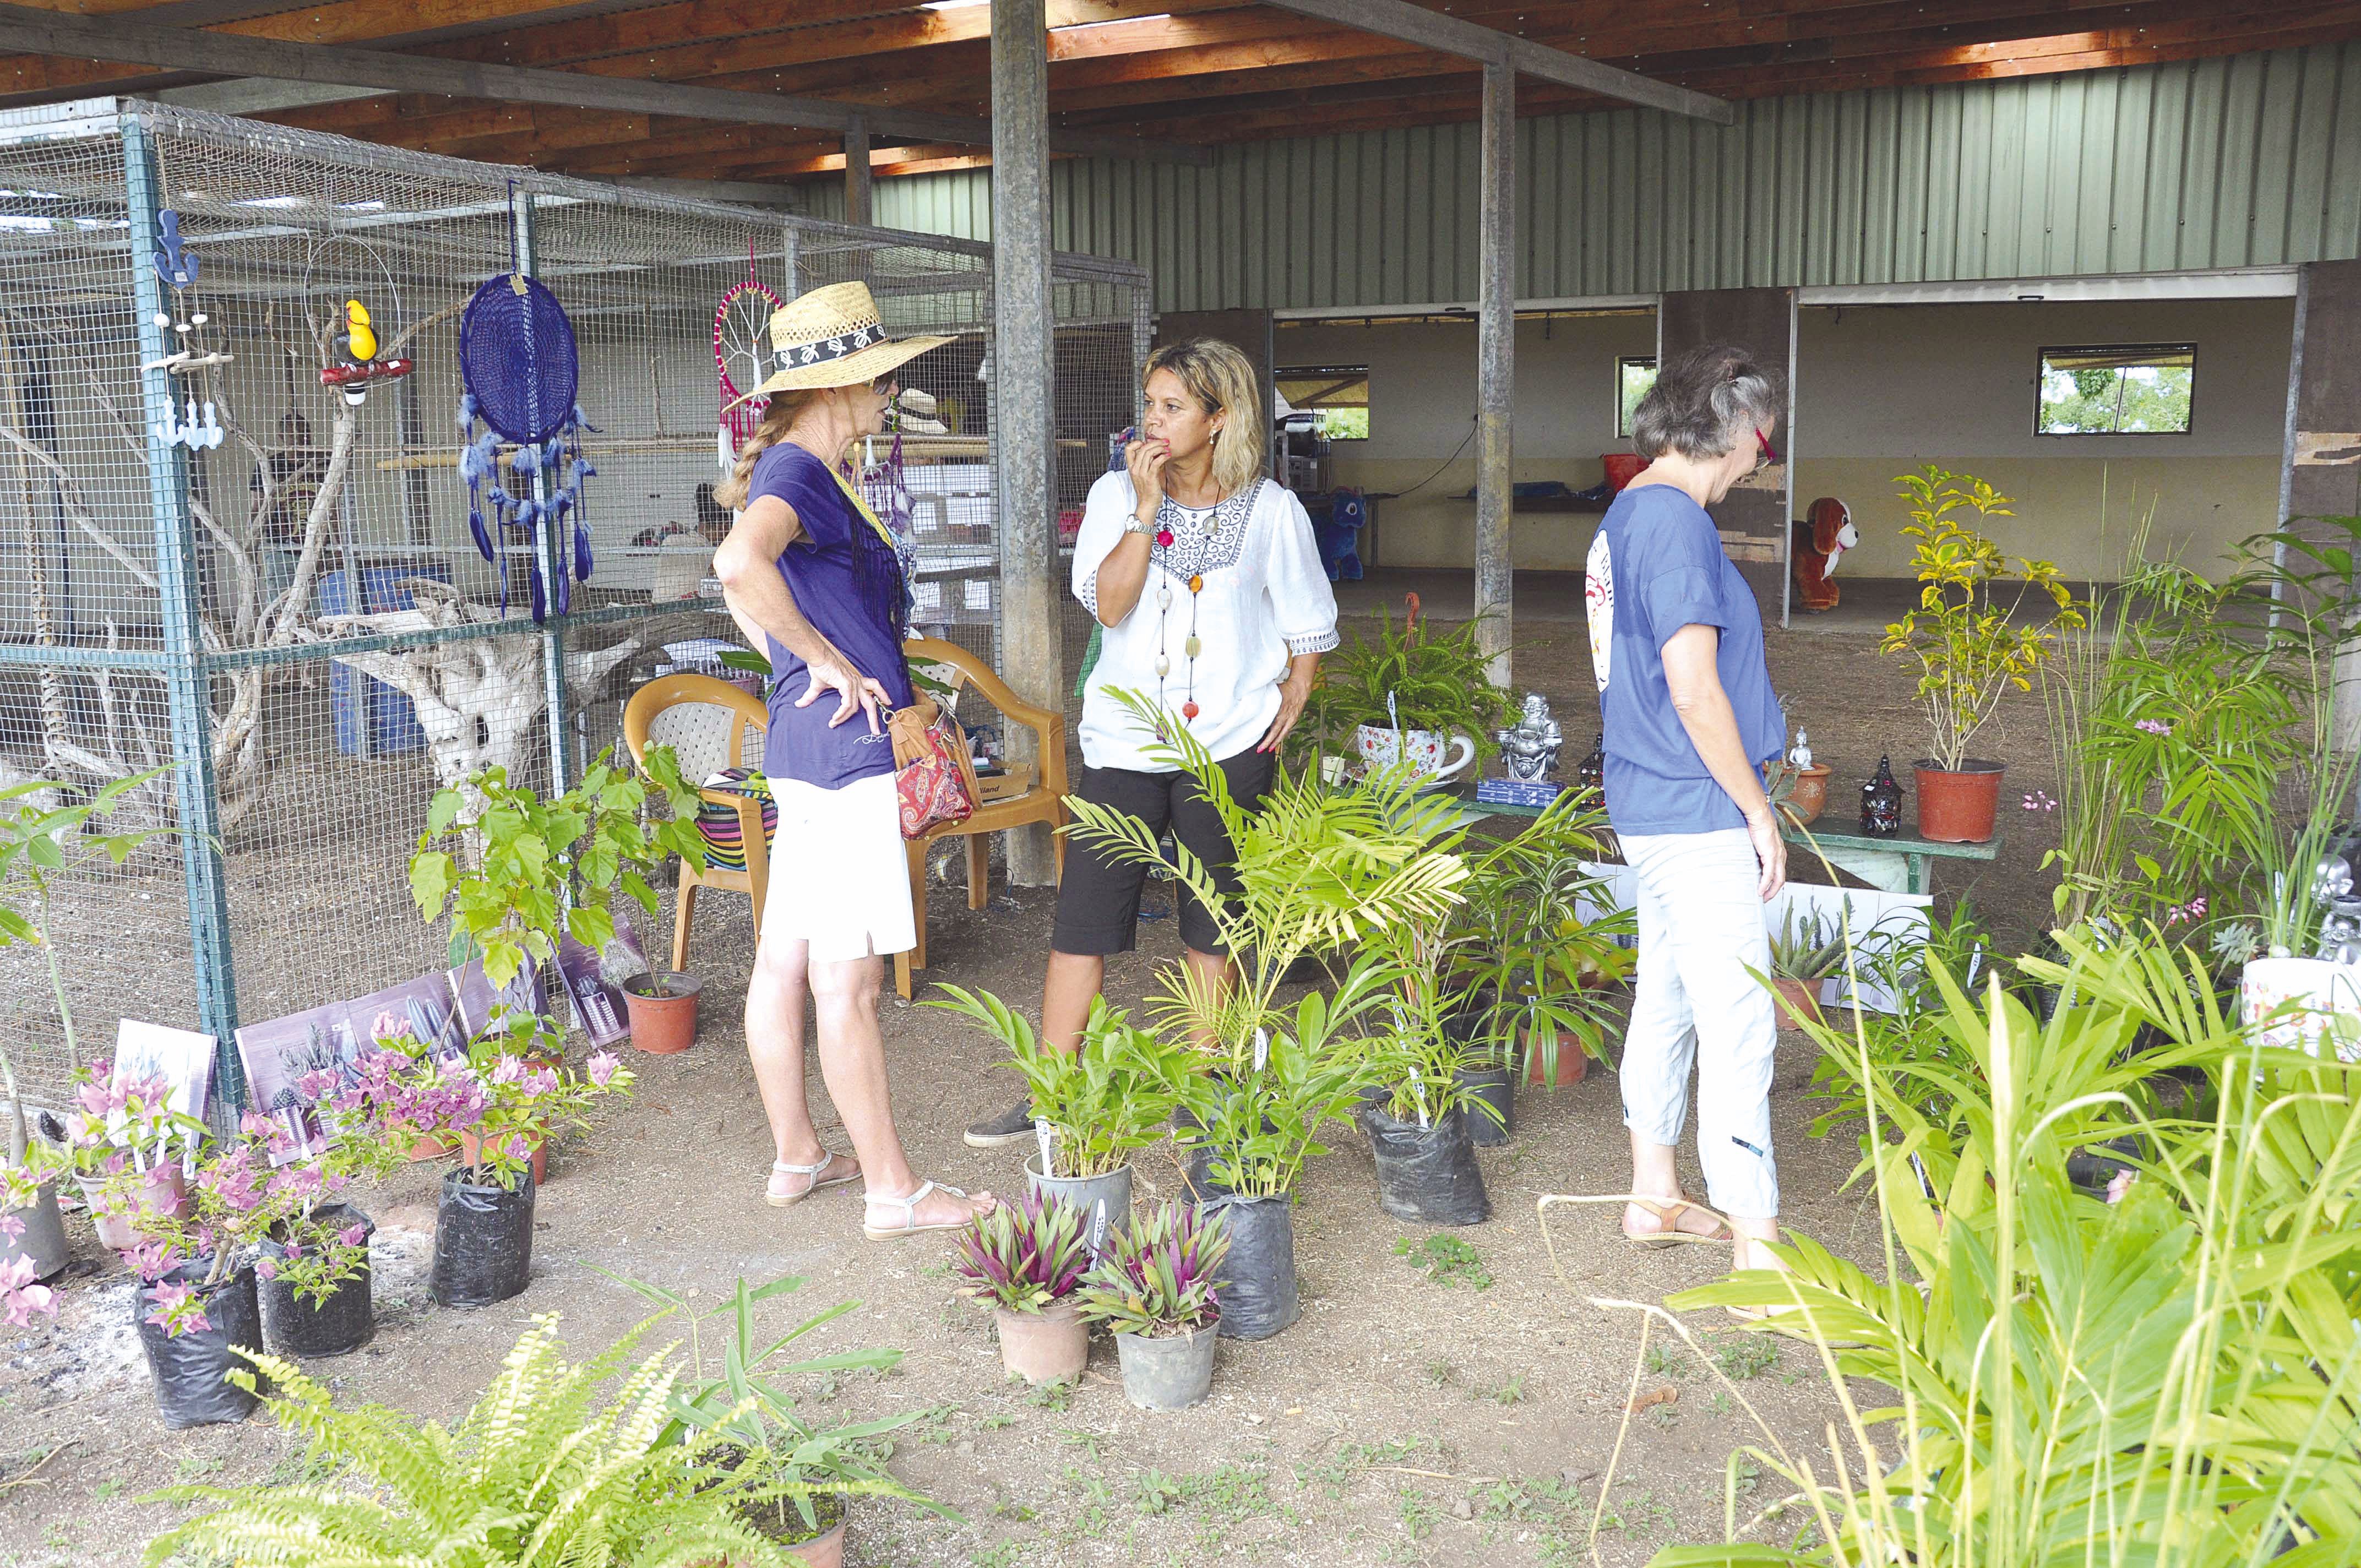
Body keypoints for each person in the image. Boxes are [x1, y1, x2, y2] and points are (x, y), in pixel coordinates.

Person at [966, 338, 1339, 1146]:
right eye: (1151, 404)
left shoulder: (1272, 509)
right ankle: (1050, 1093)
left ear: (1221, 418)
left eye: (1173, 407)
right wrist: (1143, 509)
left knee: (1215, 925)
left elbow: (1309, 615)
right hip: (1125, 744)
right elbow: (1108, 606)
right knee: (1082, 922)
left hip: (1231, 746)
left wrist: (1297, 690)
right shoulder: (1113, 495)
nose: (1153, 421)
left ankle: (1207, 1089)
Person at [712, 280, 994, 1240]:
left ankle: (799, 1155)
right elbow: (736, 568)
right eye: (881, 379)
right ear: (844, 386)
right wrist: (828, 660)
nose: (888, 396)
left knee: (783, 961)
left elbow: (750, 592)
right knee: (850, 982)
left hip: (804, 743)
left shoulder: (797, 472)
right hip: (847, 756)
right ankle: (893, 1191)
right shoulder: (796, 475)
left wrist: (795, 660)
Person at [1582, 342, 1789, 1278]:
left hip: (1650, 794)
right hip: (1695, 802)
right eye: (1764, 447)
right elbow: (1694, 686)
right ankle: (1758, 1246)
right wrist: (1758, 808)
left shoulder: (1631, 512)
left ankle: (1656, 1196)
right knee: (1739, 1018)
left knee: (1666, 995)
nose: (1759, 464)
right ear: (1740, 428)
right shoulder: (1674, 525)